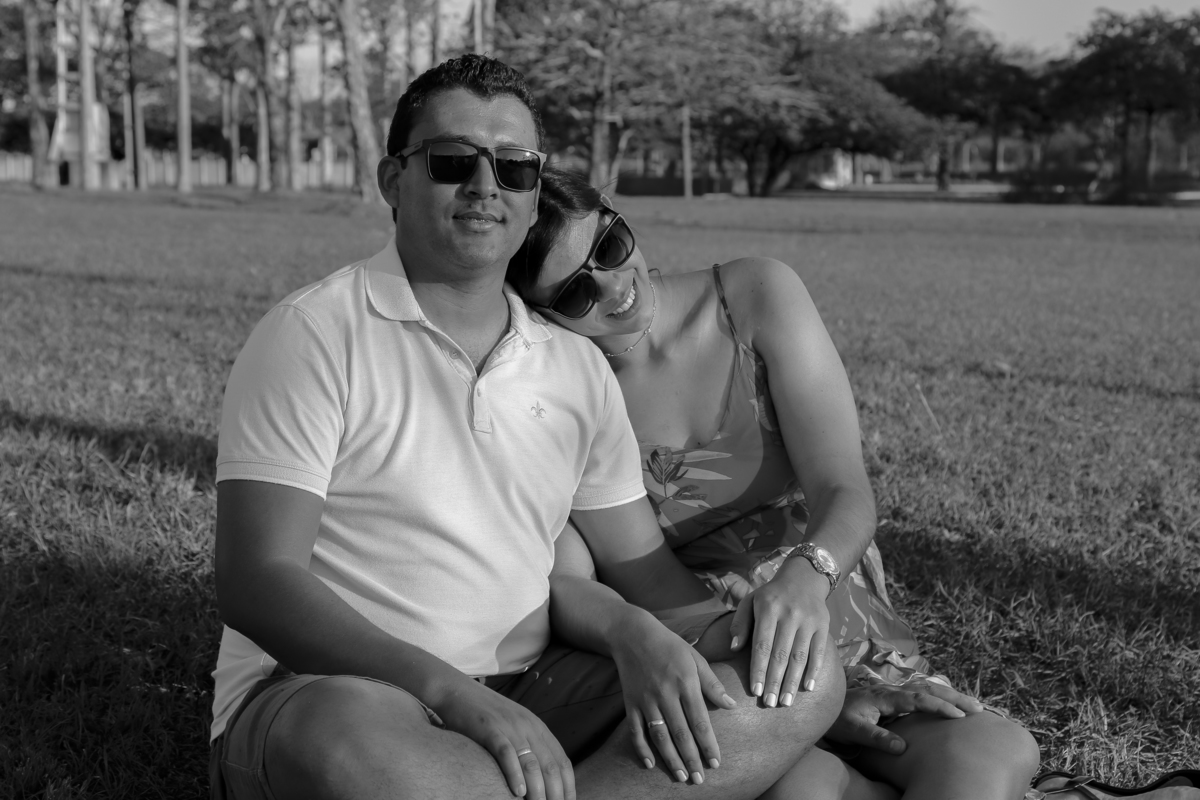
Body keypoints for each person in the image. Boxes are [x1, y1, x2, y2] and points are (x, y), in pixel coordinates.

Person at [207, 55, 846, 800]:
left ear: (535, 189)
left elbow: (645, 574)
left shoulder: (573, 366)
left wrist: (757, 661)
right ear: (392, 181)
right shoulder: (313, 333)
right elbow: (258, 581)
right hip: (346, 689)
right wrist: (452, 695)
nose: (486, 186)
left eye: (514, 168)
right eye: (452, 161)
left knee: (804, 683)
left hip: (538, 686)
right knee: (359, 750)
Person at [506, 166, 1044, 800]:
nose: (614, 285)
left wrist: (809, 580)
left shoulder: (752, 295)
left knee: (992, 756)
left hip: (821, 590)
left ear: (615, 213)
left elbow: (843, 486)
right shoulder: (557, 392)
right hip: (710, 642)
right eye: (575, 292)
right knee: (806, 789)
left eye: (610, 245)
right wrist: (806, 690)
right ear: (538, 310)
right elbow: (628, 582)